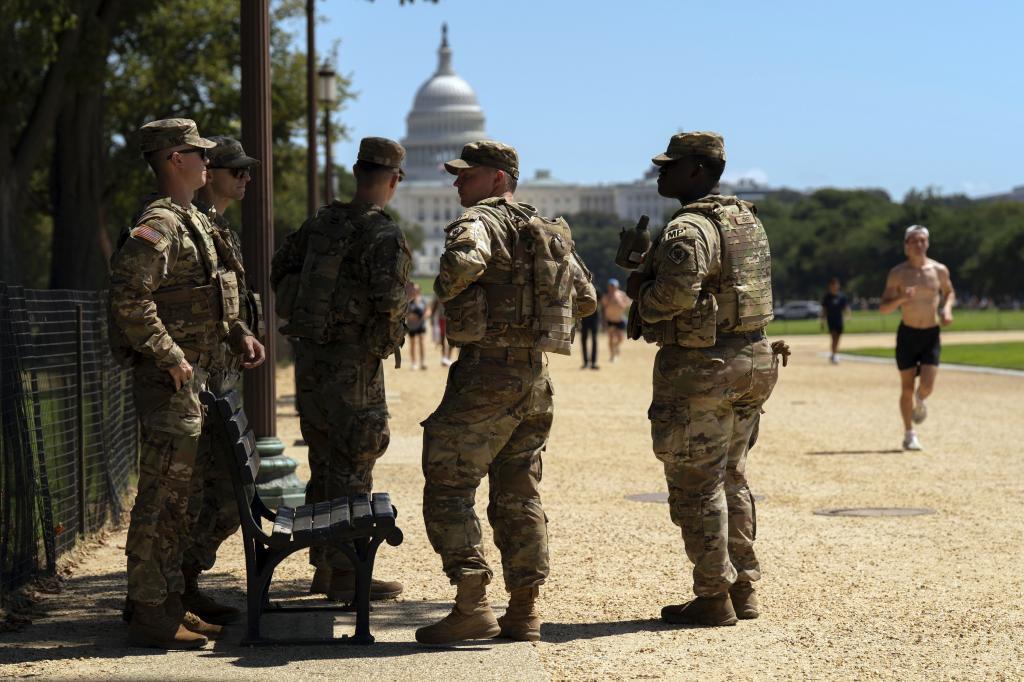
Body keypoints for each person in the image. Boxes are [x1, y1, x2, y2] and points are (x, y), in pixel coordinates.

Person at [416, 140, 597, 644]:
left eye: (466, 175)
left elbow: (457, 269)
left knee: (449, 484)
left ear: (498, 179)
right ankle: (524, 610)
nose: (457, 184)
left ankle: (471, 602)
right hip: (534, 379)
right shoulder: (549, 231)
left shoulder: (480, 223)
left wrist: (456, 289)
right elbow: (584, 298)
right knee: (519, 493)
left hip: (486, 377)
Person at [109, 118, 265, 649]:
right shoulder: (161, 222)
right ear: (177, 158)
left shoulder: (187, 219)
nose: (207, 161)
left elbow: (209, 294)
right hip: (171, 388)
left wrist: (238, 331)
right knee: (161, 503)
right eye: (199, 154)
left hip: (196, 385)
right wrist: (171, 355)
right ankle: (151, 614)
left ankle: (168, 600)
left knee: (182, 502)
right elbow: (130, 296)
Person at [627, 131, 780, 627]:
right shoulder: (745, 220)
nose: (659, 172)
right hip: (754, 357)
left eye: (669, 165)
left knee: (696, 482)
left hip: (703, 366)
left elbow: (673, 296)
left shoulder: (688, 228)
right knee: (731, 474)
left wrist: (641, 299)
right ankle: (743, 587)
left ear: (697, 171)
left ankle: (713, 596)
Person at [270, 137, 411, 602]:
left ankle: (326, 568)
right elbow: (391, 306)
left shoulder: (321, 223)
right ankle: (349, 573)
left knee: (324, 462)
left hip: (312, 363)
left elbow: (280, 268)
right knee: (355, 463)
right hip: (355, 366)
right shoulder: (383, 234)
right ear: (392, 180)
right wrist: (379, 345)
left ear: (357, 173)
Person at [179, 135, 264, 626]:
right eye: (238, 171)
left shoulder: (217, 229)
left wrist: (242, 335)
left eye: (247, 171)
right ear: (212, 173)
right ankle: (173, 592)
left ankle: (186, 583)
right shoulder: (195, 227)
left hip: (220, 379)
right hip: (198, 381)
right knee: (192, 497)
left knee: (226, 496)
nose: (246, 179)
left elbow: (225, 305)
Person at [879, 225, 956, 451]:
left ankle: (920, 400)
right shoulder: (898, 274)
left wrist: (948, 309)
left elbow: (949, 292)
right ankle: (909, 433)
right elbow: (884, 308)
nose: (918, 244)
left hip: (931, 333)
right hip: (908, 334)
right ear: (906, 246)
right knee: (905, 387)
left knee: (927, 385)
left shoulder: (939, 270)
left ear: (928, 243)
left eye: (922, 240)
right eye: (914, 240)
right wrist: (902, 298)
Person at [821, 277, 850, 364]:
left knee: (838, 338)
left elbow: (846, 307)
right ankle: (834, 354)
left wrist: (848, 315)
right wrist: (822, 320)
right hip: (831, 320)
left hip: (839, 320)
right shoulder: (827, 297)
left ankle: (834, 354)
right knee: (833, 337)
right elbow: (824, 310)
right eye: (833, 285)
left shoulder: (841, 297)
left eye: (836, 285)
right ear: (830, 286)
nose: (835, 286)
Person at [601, 278, 630, 362]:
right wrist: (604, 321)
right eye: (611, 286)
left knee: (621, 338)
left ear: (617, 287)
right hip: (610, 320)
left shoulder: (622, 295)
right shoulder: (606, 297)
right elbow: (603, 309)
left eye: (613, 286)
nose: (612, 288)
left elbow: (628, 303)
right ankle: (612, 356)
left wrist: (622, 304)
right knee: (611, 338)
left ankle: (616, 346)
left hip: (620, 319)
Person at [406, 282, 429, 369]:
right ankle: (414, 363)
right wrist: (410, 316)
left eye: (416, 289)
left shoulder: (423, 299)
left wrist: (425, 315)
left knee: (422, 342)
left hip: (421, 324)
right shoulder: (408, 301)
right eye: (414, 289)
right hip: (411, 325)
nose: (415, 291)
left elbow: (428, 310)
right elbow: (404, 313)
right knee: (413, 343)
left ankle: (422, 362)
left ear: (419, 290)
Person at [579, 300, 600, 369]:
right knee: (583, 339)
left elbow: (601, 304)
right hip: (584, 318)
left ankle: (593, 362)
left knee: (594, 339)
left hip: (594, 318)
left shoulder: (597, 291)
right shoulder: (581, 290)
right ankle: (585, 362)